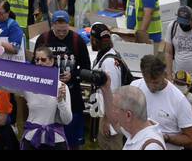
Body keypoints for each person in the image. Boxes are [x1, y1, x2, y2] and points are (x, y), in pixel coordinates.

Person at [33, 10, 90, 147]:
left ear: (68, 26)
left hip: (72, 94)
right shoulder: (43, 39)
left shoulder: (77, 40)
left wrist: (74, 75)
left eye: (64, 30)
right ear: (52, 26)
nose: (61, 34)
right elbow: (33, 65)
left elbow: (86, 67)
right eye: (58, 31)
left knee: (72, 135)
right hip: (47, 95)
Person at [129, 54, 192, 149]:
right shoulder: (135, 87)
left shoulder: (179, 100)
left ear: (164, 74)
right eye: (147, 82)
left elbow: (191, 139)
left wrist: (165, 138)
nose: (151, 86)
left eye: (156, 82)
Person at [18, 45, 73, 149]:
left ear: (51, 61)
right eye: (37, 60)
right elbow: (5, 83)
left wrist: (60, 101)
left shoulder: (61, 86)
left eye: (43, 60)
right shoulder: (28, 84)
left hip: (54, 140)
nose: (39, 63)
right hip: (32, 139)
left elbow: (67, 120)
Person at [88, 21, 129, 150]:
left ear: (95, 40)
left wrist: (107, 120)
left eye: (91, 39)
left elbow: (113, 93)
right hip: (107, 113)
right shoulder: (105, 56)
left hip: (112, 118)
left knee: (110, 145)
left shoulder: (109, 62)